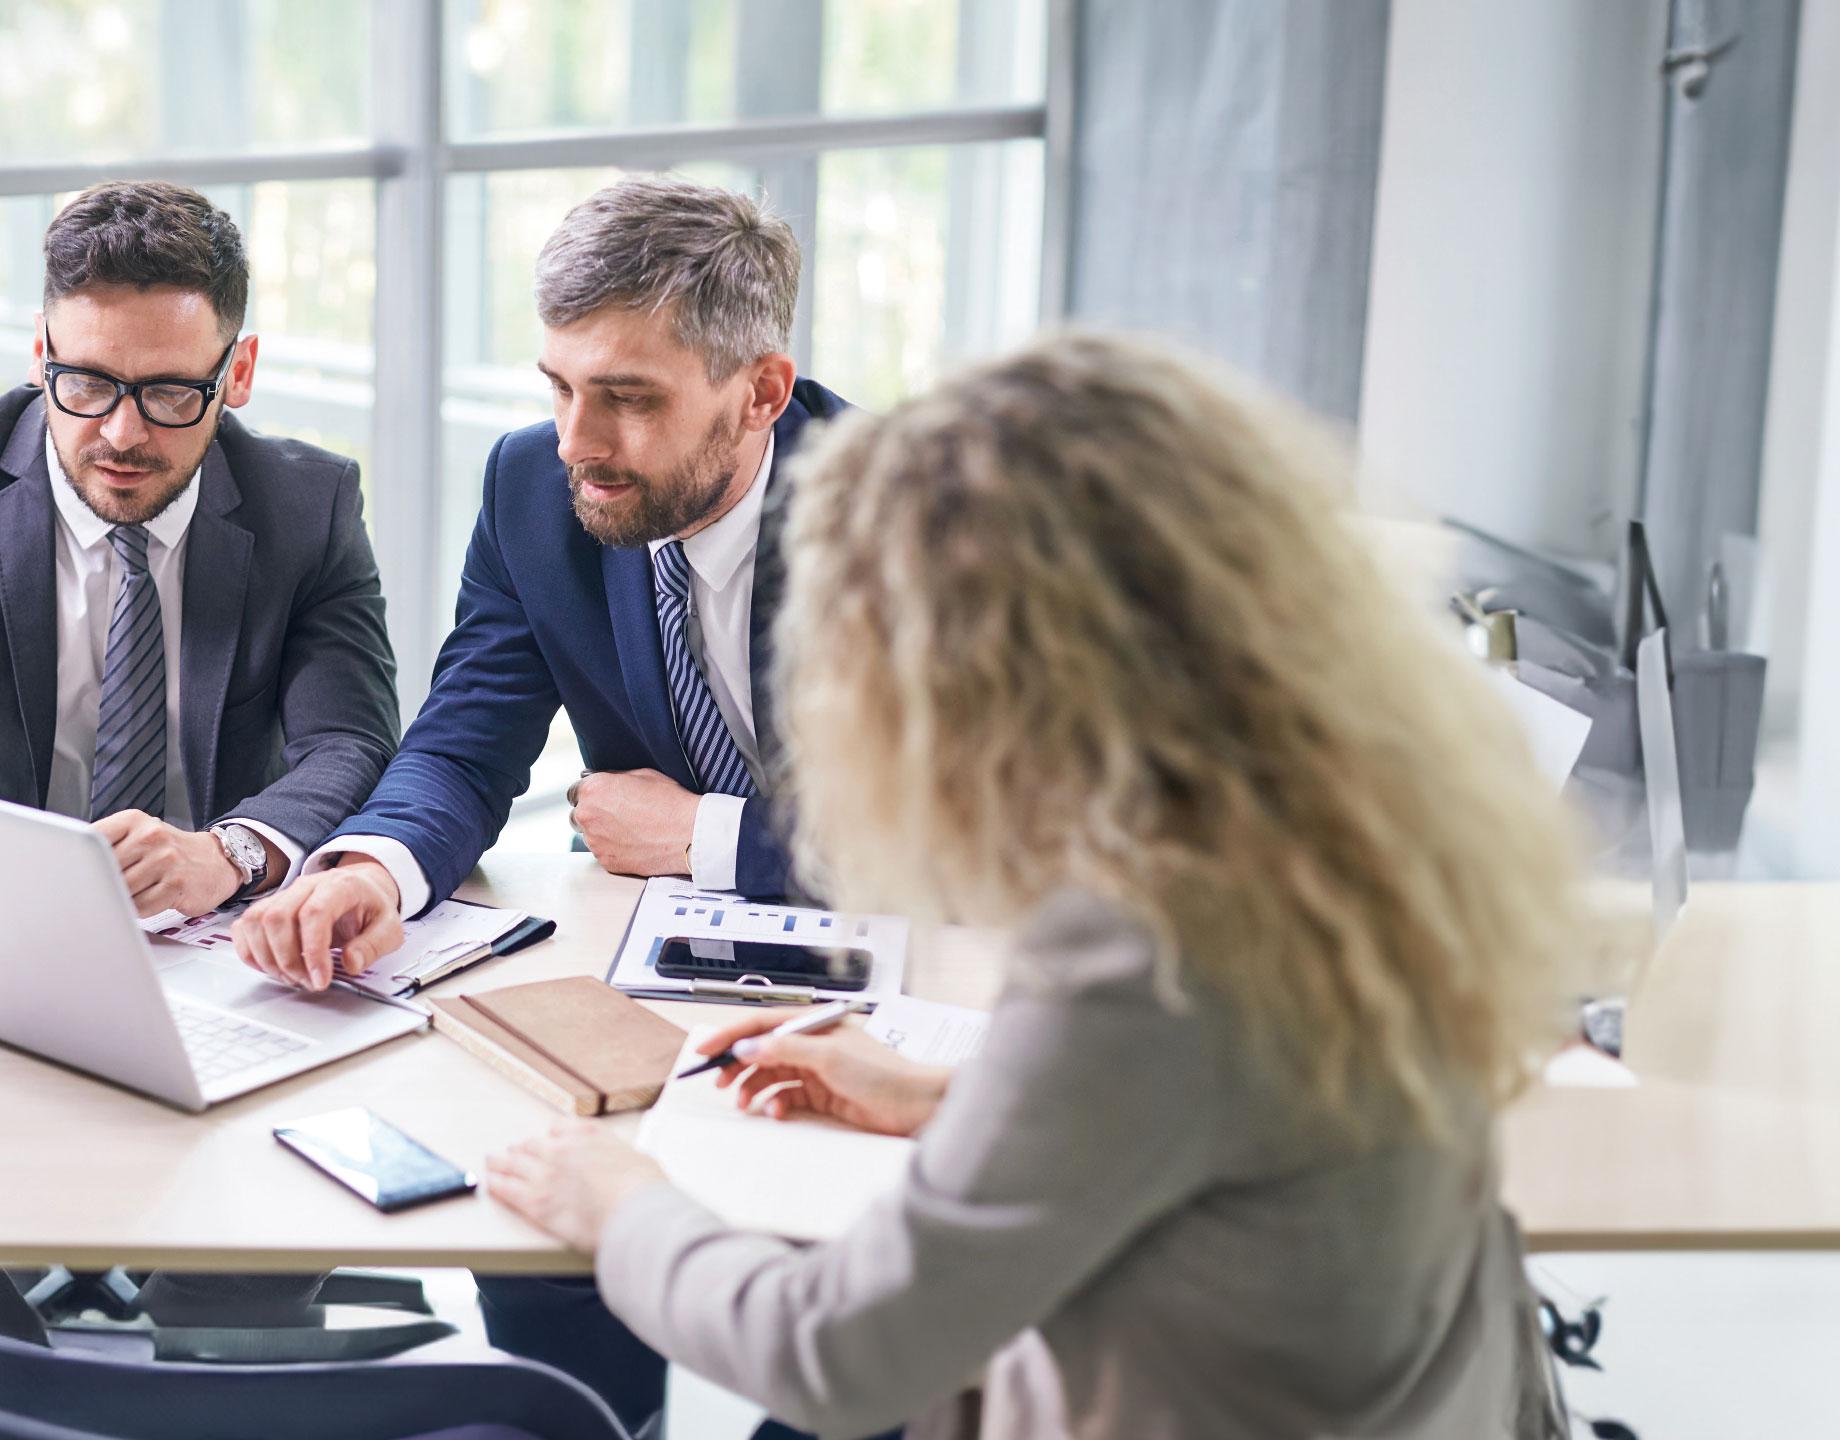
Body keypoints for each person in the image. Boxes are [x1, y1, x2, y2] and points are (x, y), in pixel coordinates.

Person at [484, 331, 1584, 1439]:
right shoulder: (1345, 832)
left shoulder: (1143, 950)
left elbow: (835, 1355)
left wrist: (621, 1204)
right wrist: (950, 1099)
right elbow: (1235, 1130)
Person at [230, 173, 851, 1438]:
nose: (579, 438)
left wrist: (704, 838)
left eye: (628, 398)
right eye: (561, 386)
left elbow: (976, 832)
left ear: (763, 393)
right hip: (649, 994)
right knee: (550, 1244)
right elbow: (465, 738)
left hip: (877, 1009)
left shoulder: (906, 509)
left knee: (854, 1349)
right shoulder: (534, 487)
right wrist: (372, 871)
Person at [0, 180, 400, 1385]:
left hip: (220, 962)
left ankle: (211, 1404)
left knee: (256, 1233)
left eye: (173, 393)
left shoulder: (307, 504)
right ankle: (41, 1411)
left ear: (241, 369)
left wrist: (235, 850)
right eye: (87, 383)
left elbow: (355, 745)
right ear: (41, 351)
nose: (121, 432)